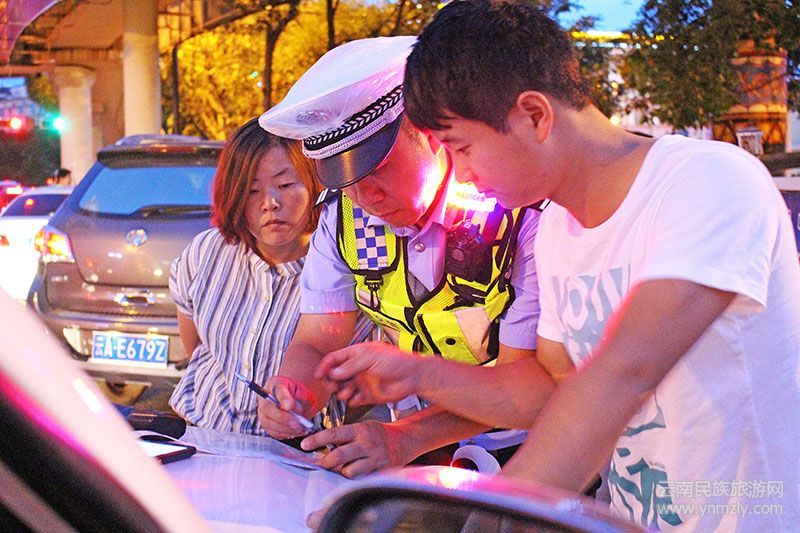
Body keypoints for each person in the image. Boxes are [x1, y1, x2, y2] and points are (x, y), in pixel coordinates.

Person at [316, 1, 800, 530]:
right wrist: (418, 372)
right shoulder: (556, 230)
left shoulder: (707, 182)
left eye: (462, 148)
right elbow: (550, 390)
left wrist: (494, 516)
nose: (460, 174)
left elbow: (625, 372)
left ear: (534, 115)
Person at [257, 36, 555, 477]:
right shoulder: (342, 219)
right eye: (347, 180)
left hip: (530, 454)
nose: (365, 197)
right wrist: (294, 390)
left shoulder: (515, 211)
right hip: (414, 454)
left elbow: (527, 383)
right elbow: (318, 340)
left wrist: (406, 436)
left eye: (378, 169)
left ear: (429, 136)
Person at [168, 118, 373, 434]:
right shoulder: (206, 252)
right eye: (252, 190)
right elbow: (195, 345)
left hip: (294, 448)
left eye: (286, 185)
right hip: (200, 434)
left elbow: (361, 385)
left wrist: (300, 404)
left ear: (315, 184)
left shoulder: (345, 269)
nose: (271, 203)